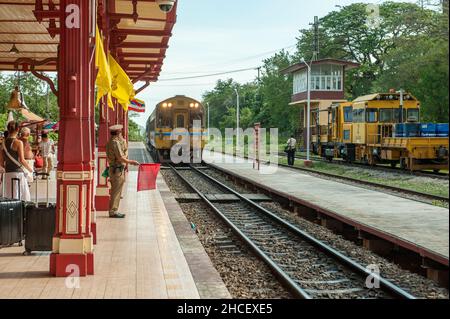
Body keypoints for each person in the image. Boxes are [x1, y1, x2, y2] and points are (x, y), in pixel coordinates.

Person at [106, 125, 139, 218]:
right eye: (120, 132)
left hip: (114, 169)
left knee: (115, 191)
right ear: (117, 133)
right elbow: (120, 158)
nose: (121, 134)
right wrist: (131, 162)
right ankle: (113, 211)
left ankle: (113, 210)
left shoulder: (110, 142)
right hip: (117, 170)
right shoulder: (115, 143)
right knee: (116, 191)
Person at [0, 121, 33, 201]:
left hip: (7, 174)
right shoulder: (18, 142)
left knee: (8, 198)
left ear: (8, 129)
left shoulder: (2, 143)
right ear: (18, 129)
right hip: (18, 174)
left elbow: (1, 162)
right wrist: (30, 170)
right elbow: (22, 160)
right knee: (20, 198)